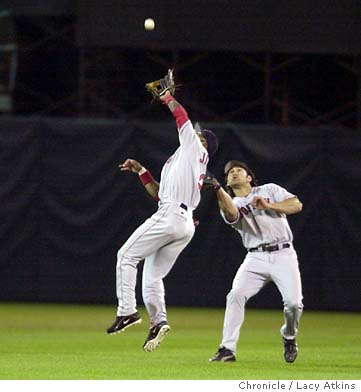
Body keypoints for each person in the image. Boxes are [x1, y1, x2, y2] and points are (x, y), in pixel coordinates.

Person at [107, 91, 218, 353]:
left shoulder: (194, 148)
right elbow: (159, 193)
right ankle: (158, 322)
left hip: (171, 216)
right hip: (184, 222)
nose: (195, 134)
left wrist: (168, 96)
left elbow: (182, 116)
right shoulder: (183, 161)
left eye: (200, 135)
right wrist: (142, 172)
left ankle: (127, 312)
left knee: (126, 256)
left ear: (203, 143)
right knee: (152, 278)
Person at [207, 160, 303, 363]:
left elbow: (296, 205)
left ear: (249, 177)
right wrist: (217, 189)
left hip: (284, 253)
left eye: (238, 170)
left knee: (294, 304)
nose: (233, 173)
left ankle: (289, 336)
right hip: (255, 257)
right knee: (235, 296)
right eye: (229, 172)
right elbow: (232, 214)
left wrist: (270, 205)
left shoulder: (269, 189)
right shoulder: (231, 202)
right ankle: (227, 349)